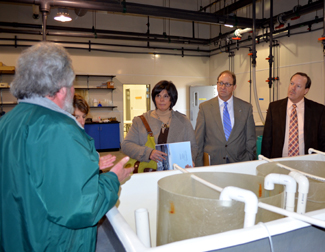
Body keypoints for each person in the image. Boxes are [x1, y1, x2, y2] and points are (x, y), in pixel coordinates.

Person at [0, 42, 133, 251]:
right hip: (52, 242)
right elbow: (82, 207)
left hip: (17, 237)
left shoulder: (8, 122)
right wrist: (113, 179)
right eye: (73, 84)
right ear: (62, 89)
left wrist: (85, 166)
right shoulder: (58, 128)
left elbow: (33, 179)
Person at [121, 80, 198, 170]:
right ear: (154, 98)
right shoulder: (140, 121)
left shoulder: (183, 121)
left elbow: (193, 146)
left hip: (175, 173)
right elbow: (126, 145)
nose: (161, 100)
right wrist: (148, 153)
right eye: (158, 96)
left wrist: (189, 160)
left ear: (172, 98)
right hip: (147, 172)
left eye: (166, 96)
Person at [195, 70, 256, 166]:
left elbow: (250, 139)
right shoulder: (205, 108)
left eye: (227, 84)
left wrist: (248, 159)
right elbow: (198, 140)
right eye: (221, 83)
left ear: (234, 87)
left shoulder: (246, 108)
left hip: (239, 162)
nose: (223, 87)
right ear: (217, 84)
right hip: (213, 163)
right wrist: (199, 165)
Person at [261, 72, 325, 158]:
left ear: (306, 91)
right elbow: (267, 140)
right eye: (292, 83)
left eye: (298, 86)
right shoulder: (274, 108)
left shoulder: (318, 110)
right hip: (279, 162)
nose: (293, 88)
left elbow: (322, 141)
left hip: (307, 163)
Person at [73, 94, 116, 170]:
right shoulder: (63, 140)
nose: (82, 122)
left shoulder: (85, 138)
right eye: (77, 117)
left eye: (83, 117)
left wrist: (96, 159)